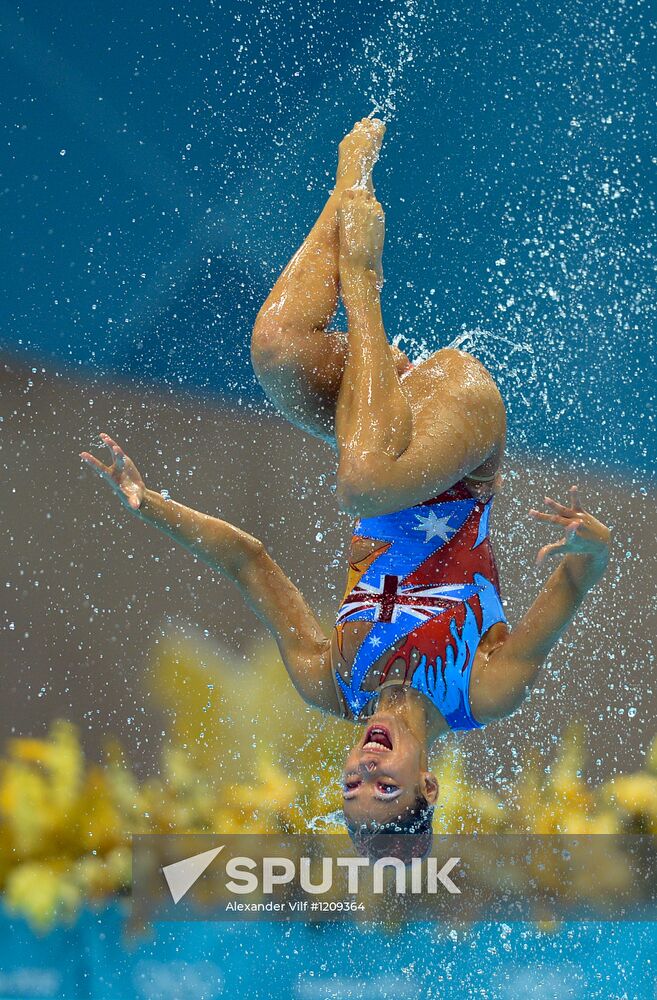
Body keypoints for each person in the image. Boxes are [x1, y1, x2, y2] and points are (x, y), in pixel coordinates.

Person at [80, 118, 611, 859]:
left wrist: (152, 503)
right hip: (459, 434)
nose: (364, 767)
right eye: (384, 786)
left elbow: (248, 562)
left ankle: (347, 185)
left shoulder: (329, 681)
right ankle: (363, 273)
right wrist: (592, 543)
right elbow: (579, 579)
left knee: (277, 353)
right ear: (428, 786)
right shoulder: (481, 693)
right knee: (362, 483)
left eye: (351, 787)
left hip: (382, 428)